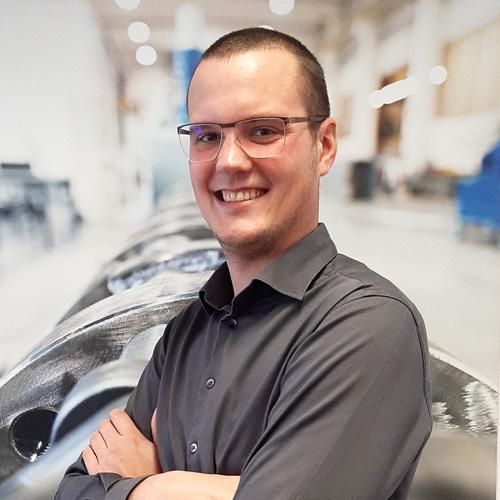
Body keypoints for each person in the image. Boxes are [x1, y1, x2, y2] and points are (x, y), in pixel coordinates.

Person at [55, 27, 432, 500]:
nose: (229, 161)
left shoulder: (367, 326)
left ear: (324, 146)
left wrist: (154, 484)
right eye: (206, 135)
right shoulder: (187, 332)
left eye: (263, 131)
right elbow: (74, 489)